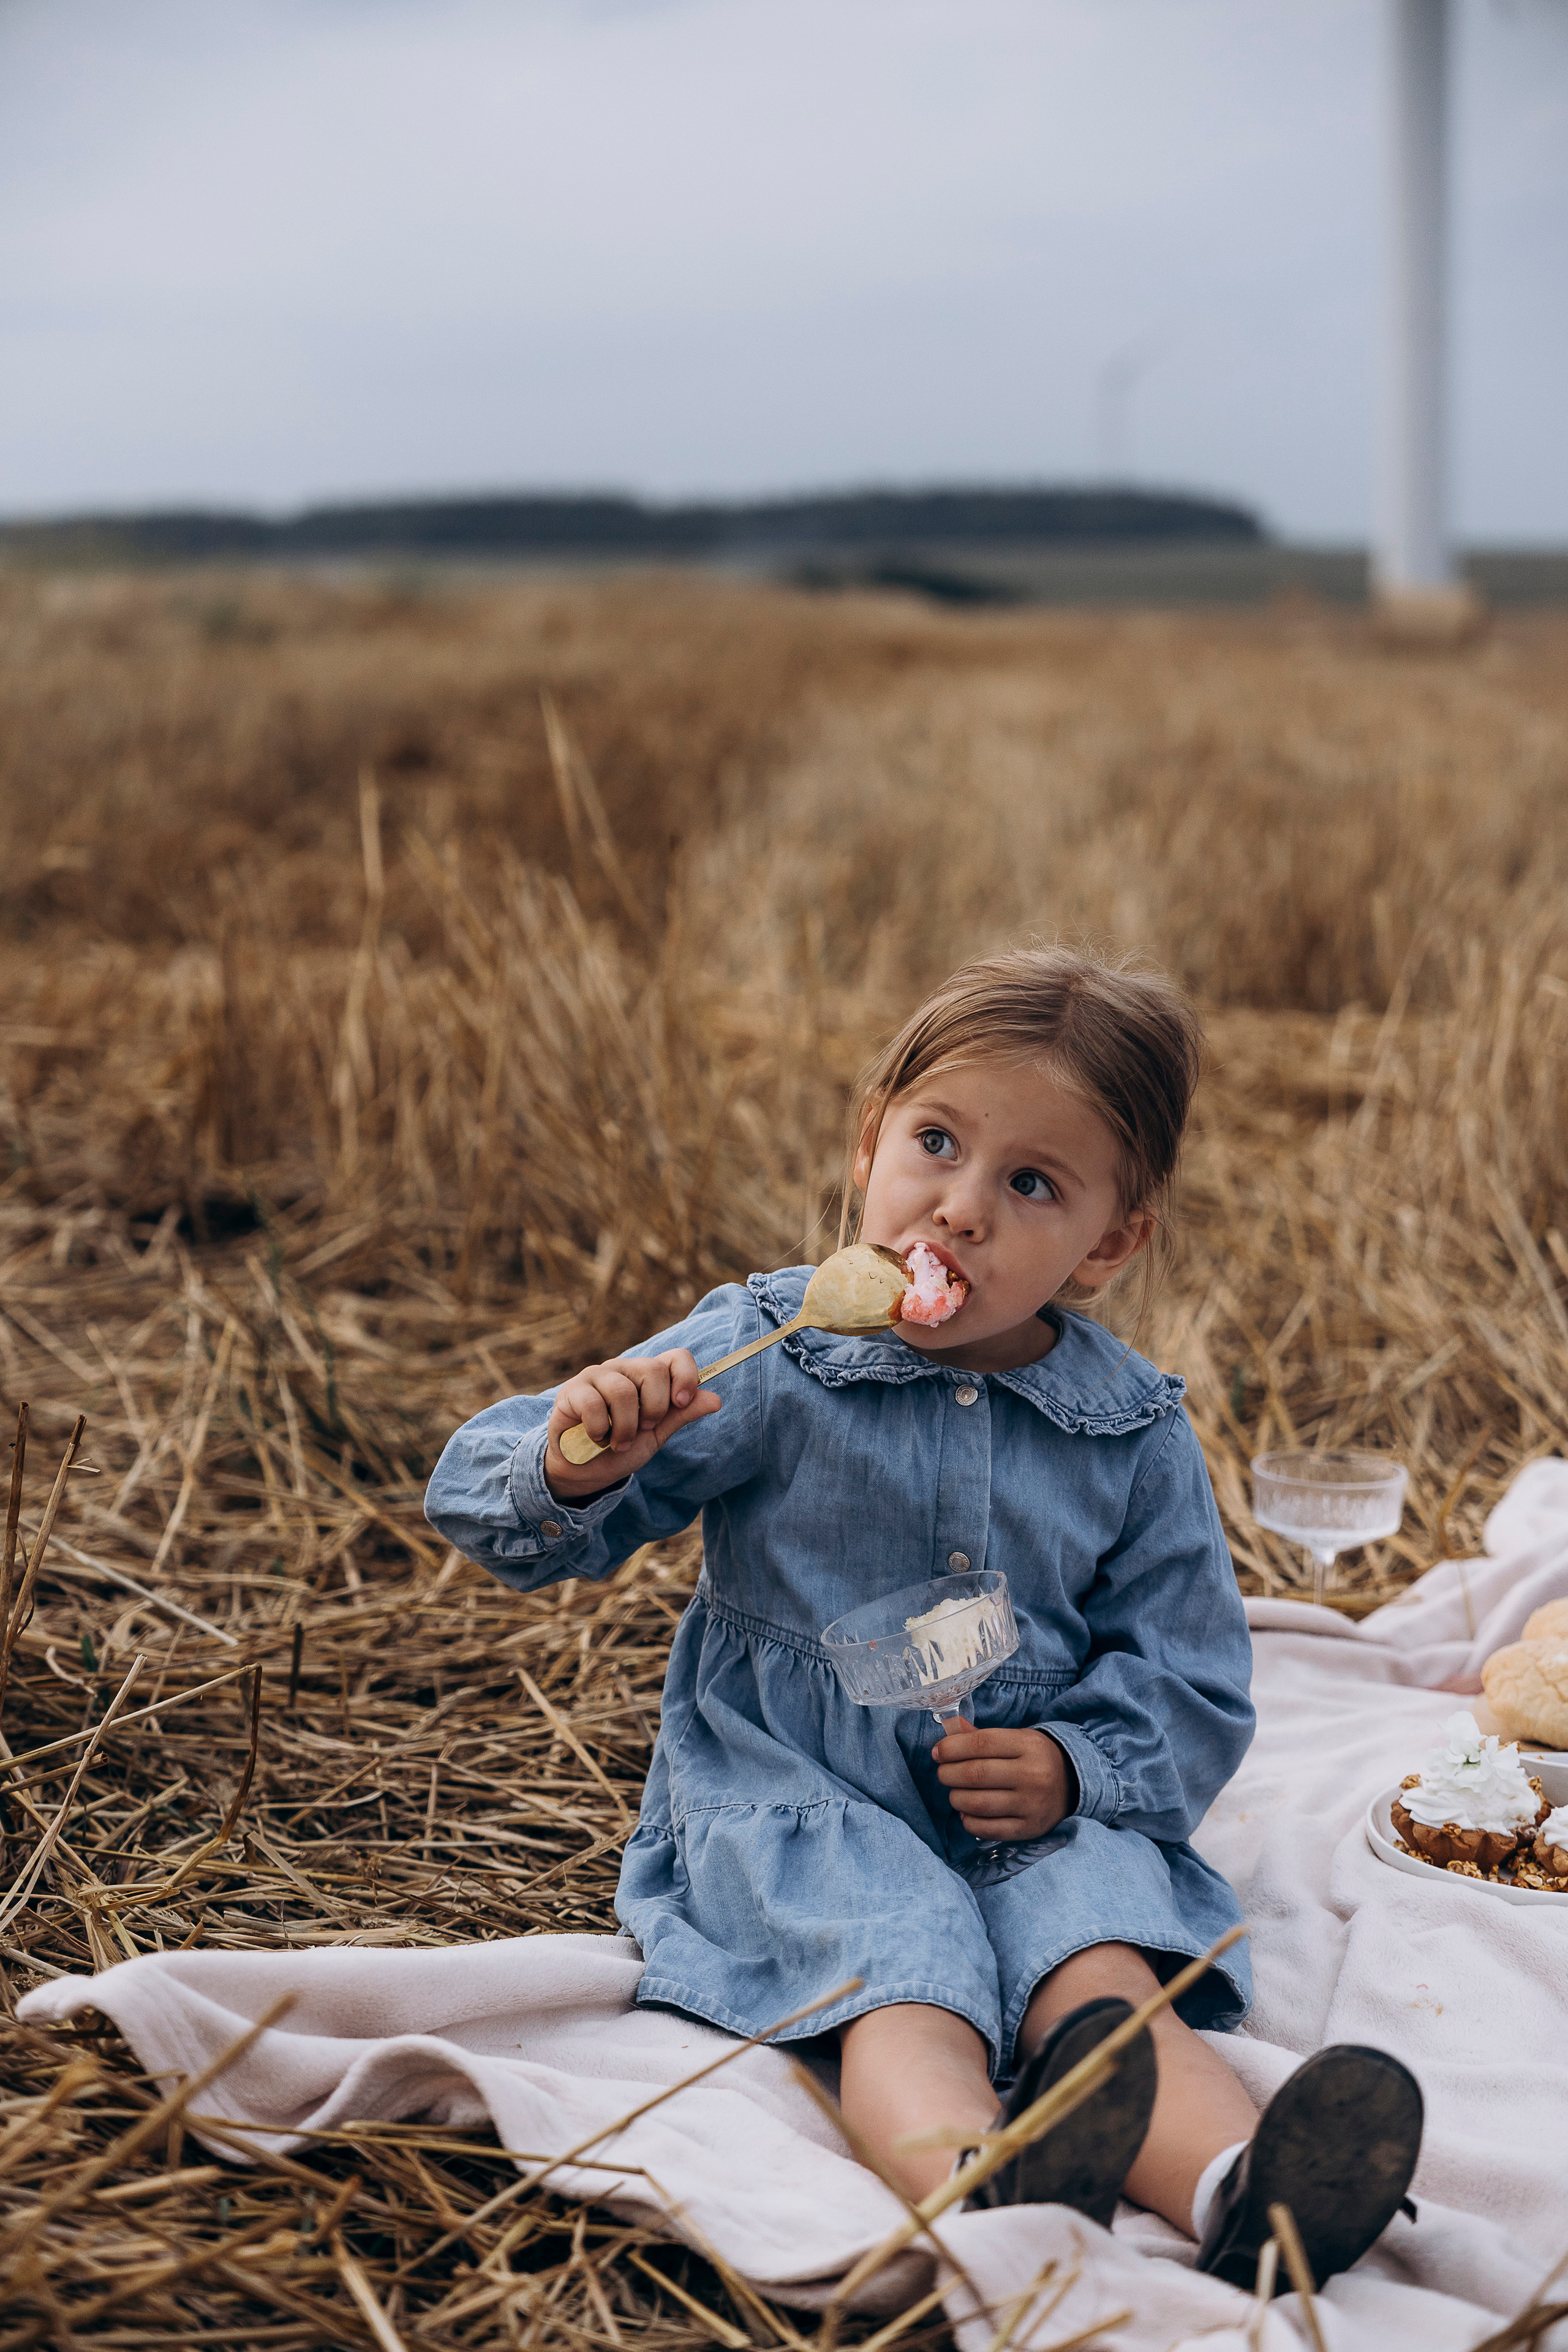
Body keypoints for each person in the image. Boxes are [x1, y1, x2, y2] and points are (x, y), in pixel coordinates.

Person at [426, 946, 1422, 2291]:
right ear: (867, 1147)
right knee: (899, 1969)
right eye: (935, 1144)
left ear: (1108, 1243)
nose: (958, 1209)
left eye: (1031, 1184)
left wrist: (1075, 1766)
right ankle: (977, 2184)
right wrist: (578, 1456)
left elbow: (1190, 1672)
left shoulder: (1130, 1433)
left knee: (1096, 1961)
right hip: (804, 1793)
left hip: (1023, 1803)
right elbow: (487, 1509)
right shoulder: (773, 1354)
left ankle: (1244, 2192)